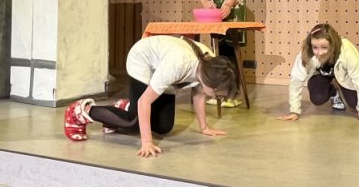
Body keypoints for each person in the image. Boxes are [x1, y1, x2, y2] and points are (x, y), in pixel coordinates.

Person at [64, 35, 238, 157]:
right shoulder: (178, 65)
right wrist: (147, 142)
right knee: (133, 121)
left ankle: (124, 108)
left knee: (163, 127)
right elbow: (144, 103)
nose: (218, 98)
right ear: (209, 83)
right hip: (143, 60)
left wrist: (204, 127)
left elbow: (199, 93)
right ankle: (80, 111)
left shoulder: (210, 64)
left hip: (162, 68)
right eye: (218, 95)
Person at [277, 23, 359, 123]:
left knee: (355, 103)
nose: (319, 52)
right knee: (318, 98)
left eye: (324, 47)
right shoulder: (307, 52)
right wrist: (294, 111)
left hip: (345, 78)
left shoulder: (347, 51)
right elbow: (296, 81)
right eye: (315, 47)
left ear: (332, 44)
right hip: (322, 76)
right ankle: (334, 92)